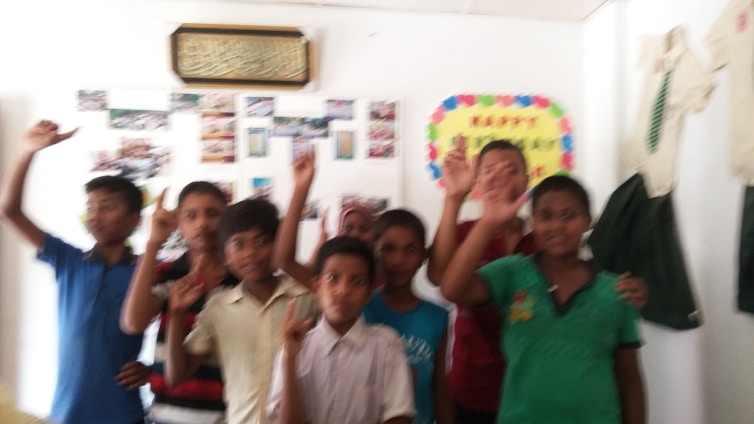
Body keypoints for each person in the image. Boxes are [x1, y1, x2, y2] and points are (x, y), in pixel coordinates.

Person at [426, 138, 648, 423]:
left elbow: (626, 371)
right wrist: (455, 198)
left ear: (527, 179)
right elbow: (442, 281)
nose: (502, 177)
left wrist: (637, 288)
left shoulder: (542, 244)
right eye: (491, 170)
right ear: (477, 179)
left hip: (541, 385)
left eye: (511, 170)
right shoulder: (476, 238)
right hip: (477, 384)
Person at [0, 120, 150, 424]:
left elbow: (187, 326)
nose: (94, 217)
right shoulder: (68, 260)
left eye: (106, 207)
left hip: (124, 412)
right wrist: (26, 150)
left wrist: (153, 370)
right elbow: (9, 210)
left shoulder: (146, 272)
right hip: (68, 411)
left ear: (135, 218)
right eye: (90, 208)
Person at [165, 198, 318, 424]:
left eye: (261, 241)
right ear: (225, 255)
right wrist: (176, 314)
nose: (250, 253)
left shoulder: (306, 298)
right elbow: (177, 376)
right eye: (239, 244)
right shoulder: (218, 307)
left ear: (278, 245)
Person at [121, 182, 238, 424]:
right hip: (167, 414)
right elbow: (133, 323)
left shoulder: (241, 279)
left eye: (213, 213)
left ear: (227, 219)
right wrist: (153, 243)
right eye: (191, 216)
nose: (202, 223)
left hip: (229, 414)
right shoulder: (167, 274)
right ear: (179, 225)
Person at [267, 236, 415, 424]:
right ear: (316, 286)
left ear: (369, 293)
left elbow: (399, 415)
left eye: (357, 282)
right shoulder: (295, 349)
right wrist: (290, 359)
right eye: (332, 278)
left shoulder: (386, 345)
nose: (343, 290)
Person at [362, 209, 453, 424]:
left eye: (410, 250)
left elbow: (439, 390)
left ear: (423, 256)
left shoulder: (437, 317)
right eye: (388, 249)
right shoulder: (360, 310)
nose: (398, 259)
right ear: (374, 252)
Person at [274, 150, 376, 289]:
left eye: (364, 228)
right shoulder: (326, 285)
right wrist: (300, 189)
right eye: (348, 228)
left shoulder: (383, 279)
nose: (343, 291)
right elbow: (285, 261)